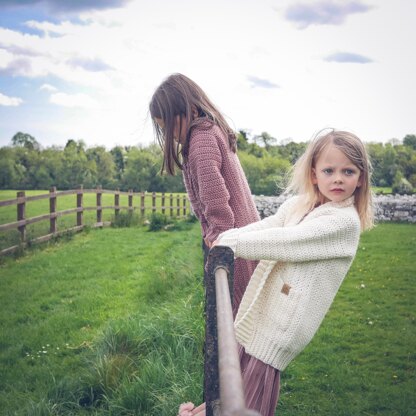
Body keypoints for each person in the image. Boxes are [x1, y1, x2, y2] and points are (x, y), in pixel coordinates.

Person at [180, 129, 374, 416]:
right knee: (231, 385)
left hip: (281, 328)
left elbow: (285, 242)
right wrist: (228, 238)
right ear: (313, 174)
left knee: (249, 397)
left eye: (348, 171)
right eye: (329, 170)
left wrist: (229, 244)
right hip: (260, 314)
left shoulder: (343, 222)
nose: (337, 179)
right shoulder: (301, 205)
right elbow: (267, 227)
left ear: (360, 179)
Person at [149, 73, 259, 315]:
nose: (169, 135)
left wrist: (219, 235)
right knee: (247, 307)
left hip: (234, 240)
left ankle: (240, 354)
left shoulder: (201, 140)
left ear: (188, 110)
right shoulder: (211, 131)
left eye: (168, 126)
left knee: (238, 311)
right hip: (245, 233)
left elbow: (214, 193)